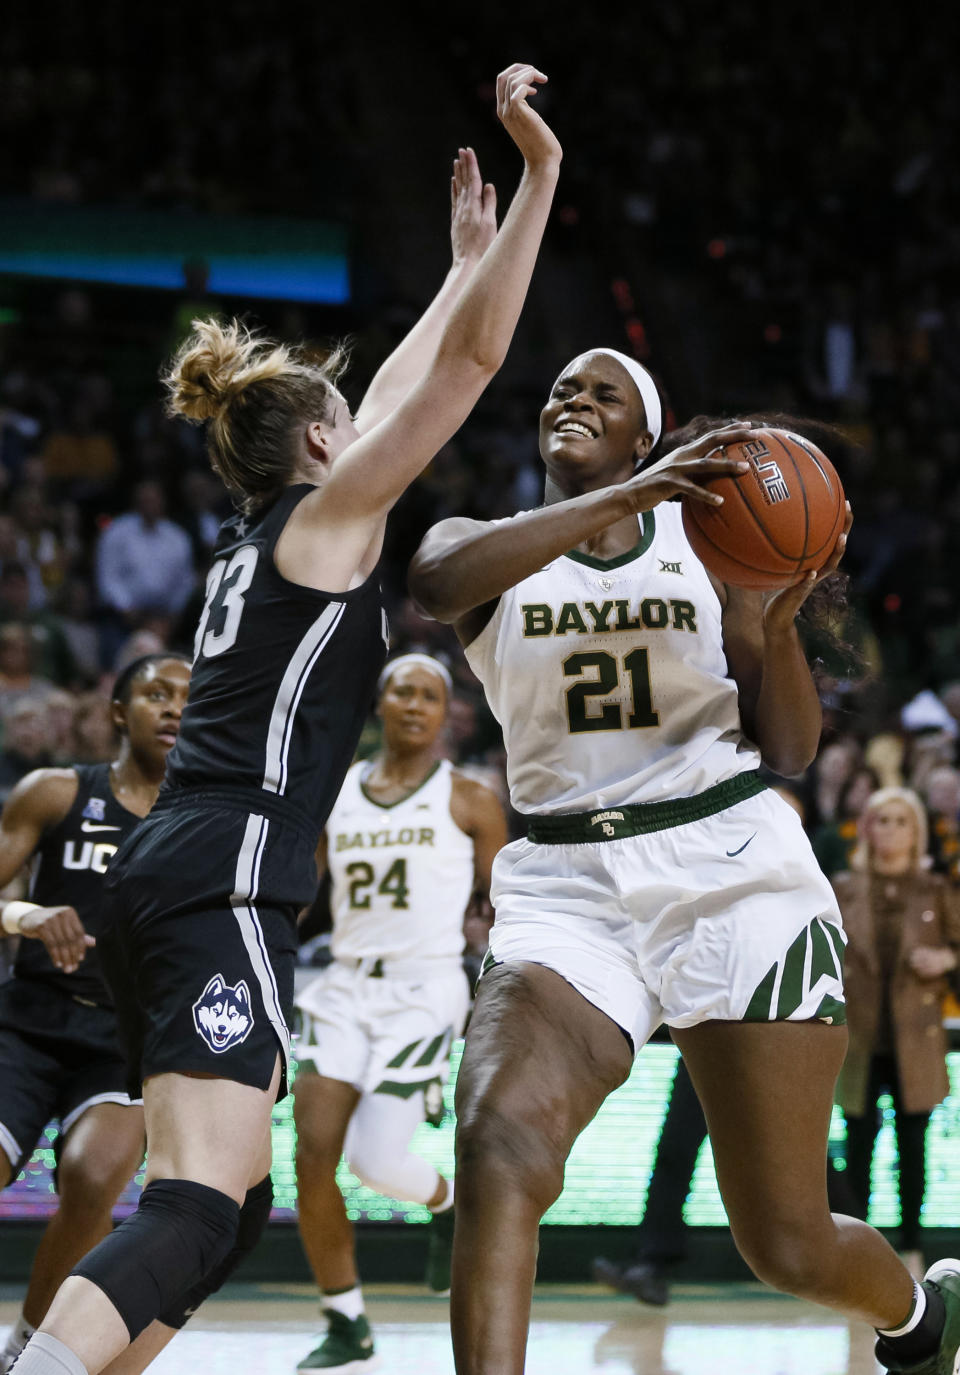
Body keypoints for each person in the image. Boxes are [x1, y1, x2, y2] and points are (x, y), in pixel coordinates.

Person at [12, 62, 561, 1375]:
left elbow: (404, 382)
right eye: (348, 418)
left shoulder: (278, 533)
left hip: (174, 870)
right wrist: (542, 176)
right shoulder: (327, 521)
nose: (367, 422)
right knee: (202, 1199)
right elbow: (476, 360)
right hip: (226, 875)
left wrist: (460, 261)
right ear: (324, 448)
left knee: (226, 1199)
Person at [408, 352, 960, 1375]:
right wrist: (624, 495)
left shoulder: (706, 545)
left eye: (603, 394)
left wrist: (768, 625)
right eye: (562, 390)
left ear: (647, 438)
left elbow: (790, 749)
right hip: (568, 885)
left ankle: (920, 1318)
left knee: (786, 1242)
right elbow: (434, 583)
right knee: (497, 1147)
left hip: (732, 868)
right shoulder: (480, 545)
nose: (573, 400)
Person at [293, 653, 507, 1371]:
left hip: (423, 989)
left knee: (379, 1162)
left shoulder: (471, 800)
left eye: (429, 695)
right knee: (311, 1153)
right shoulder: (338, 793)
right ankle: (345, 1319)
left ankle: (446, 1205)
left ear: (446, 714)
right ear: (380, 702)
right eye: (402, 691)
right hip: (346, 984)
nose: (415, 704)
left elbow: (508, 906)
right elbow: (300, 893)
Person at [0, 654, 190, 1374]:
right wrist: (26, 912)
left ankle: (24, 1347)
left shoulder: (203, 821)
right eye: (156, 693)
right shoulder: (55, 792)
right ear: (117, 710)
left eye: (189, 698)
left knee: (93, 1173)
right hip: (28, 1019)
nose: (174, 708)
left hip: (125, 1038)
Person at [833, 788, 960, 1279]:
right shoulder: (843, 888)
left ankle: (911, 1246)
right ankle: (854, 1251)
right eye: (880, 820)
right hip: (859, 1037)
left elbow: (956, 944)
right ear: (866, 828)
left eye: (898, 821)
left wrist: (946, 959)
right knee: (858, 1149)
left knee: (913, 1151)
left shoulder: (933, 889)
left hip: (915, 1037)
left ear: (915, 830)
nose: (888, 830)